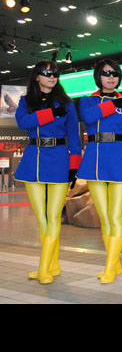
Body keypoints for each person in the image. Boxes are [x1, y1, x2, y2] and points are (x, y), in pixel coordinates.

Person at [14, 61, 82, 284]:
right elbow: (23, 122)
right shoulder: (26, 101)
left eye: (55, 74)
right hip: (33, 160)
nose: (52, 77)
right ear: (37, 77)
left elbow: (74, 138)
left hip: (59, 160)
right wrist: (50, 114)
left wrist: (74, 166)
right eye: (47, 73)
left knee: (53, 217)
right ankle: (52, 264)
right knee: (41, 218)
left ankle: (43, 267)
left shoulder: (67, 104)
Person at [77, 59, 122, 283]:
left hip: (120, 160)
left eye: (115, 73)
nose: (111, 77)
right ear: (98, 76)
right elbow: (88, 117)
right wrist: (113, 105)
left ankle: (109, 267)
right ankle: (114, 264)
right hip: (95, 161)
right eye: (106, 73)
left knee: (116, 217)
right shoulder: (87, 101)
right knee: (105, 217)